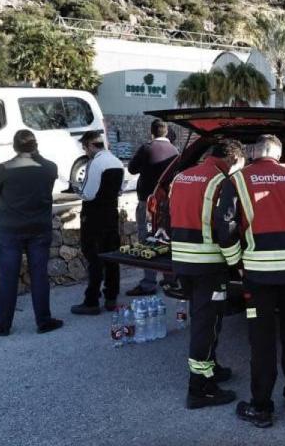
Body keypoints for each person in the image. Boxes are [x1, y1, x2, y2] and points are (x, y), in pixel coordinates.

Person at [214, 134, 285, 428]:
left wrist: (236, 262)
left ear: (253, 152)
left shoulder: (237, 180)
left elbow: (223, 227)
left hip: (257, 277)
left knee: (261, 341)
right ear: (277, 154)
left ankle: (262, 407)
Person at [170, 139, 245, 409]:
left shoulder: (181, 177)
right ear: (233, 160)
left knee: (206, 320)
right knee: (205, 325)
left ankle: (211, 368)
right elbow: (226, 227)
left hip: (181, 262)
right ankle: (200, 389)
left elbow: (169, 217)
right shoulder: (222, 182)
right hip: (209, 265)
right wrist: (238, 262)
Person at [0, 130, 63, 336]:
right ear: (35, 145)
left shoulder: (5, 168)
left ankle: (3, 324)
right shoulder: (49, 167)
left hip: (10, 228)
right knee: (39, 275)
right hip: (39, 227)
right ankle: (43, 320)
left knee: (8, 277)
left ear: (14, 147)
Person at [71, 132, 125, 315]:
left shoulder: (96, 163)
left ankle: (91, 300)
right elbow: (121, 189)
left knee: (93, 256)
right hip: (111, 213)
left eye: (85, 148)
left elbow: (88, 193)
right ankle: (111, 296)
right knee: (111, 256)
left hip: (94, 216)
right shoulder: (117, 162)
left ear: (90, 145)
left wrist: (76, 189)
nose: (85, 152)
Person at [126, 119, 179, 296]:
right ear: (166, 132)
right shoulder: (175, 150)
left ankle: (148, 283)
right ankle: (170, 279)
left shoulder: (147, 148)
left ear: (152, 132)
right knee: (165, 238)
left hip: (147, 203)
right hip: (167, 203)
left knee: (147, 239)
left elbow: (132, 169)